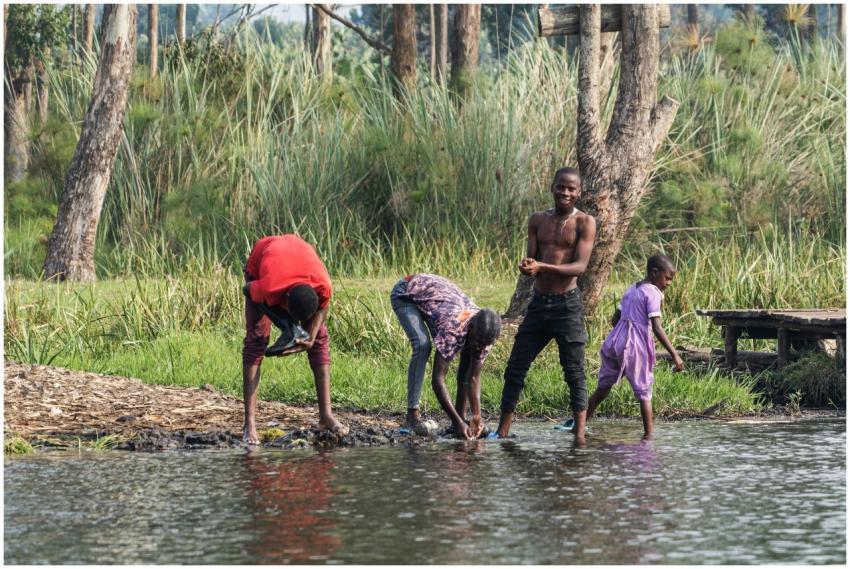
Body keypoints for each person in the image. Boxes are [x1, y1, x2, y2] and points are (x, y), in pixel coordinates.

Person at [494, 167, 597, 444]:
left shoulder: (585, 222)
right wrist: (528, 266)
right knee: (516, 366)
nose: (565, 193)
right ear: (552, 187)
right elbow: (531, 259)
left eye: (571, 189)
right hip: (539, 304)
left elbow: (579, 267)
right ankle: (502, 431)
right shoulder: (537, 220)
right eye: (561, 187)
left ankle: (579, 435)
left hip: (567, 306)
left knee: (574, 370)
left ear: (579, 193)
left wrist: (542, 266)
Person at [242, 234, 347, 444]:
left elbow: (323, 307)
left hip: (297, 256)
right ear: (285, 301)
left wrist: (310, 337)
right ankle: (249, 423)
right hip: (263, 258)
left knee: (319, 340)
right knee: (257, 340)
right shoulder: (269, 287)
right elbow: (247, 290)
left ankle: (326, 416)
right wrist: (286, 325)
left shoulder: (322, 285)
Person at [585, 254, 685, 439]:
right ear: (655, 273)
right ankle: (648, 438)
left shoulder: (632, 288)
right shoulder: (653, 293)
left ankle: (579, 425)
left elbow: (615, 319)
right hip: (635, 348)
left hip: (614, 343)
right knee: (644, 392)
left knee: (603, 387)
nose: (669, 283)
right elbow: (656, 327)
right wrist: (675, 355)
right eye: (667, 278)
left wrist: (623, 337)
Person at [390, 273, 502, 439]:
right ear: (470, 328)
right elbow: (438, 380)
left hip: (436, 297)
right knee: (422, 345)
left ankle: (461, 416)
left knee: (468, 356)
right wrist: (457, 422)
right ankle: (412, 417)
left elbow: (473, 377)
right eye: (477, 341)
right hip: (406, 292)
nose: (480, 347)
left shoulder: (485, 335)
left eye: (483, 344)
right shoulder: (454, 328)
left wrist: (476, 417)